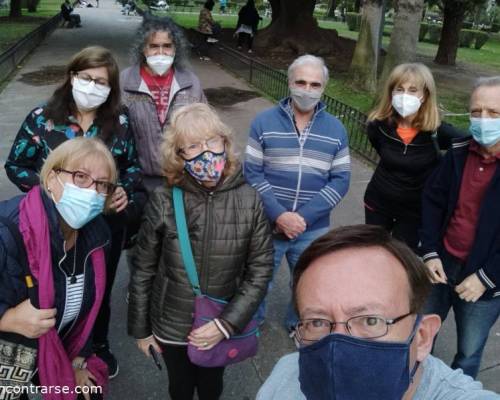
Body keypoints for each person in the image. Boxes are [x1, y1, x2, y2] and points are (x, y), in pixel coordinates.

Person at [4, 46, 143, 379]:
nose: (93, 86)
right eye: (87, 78)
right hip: (49, 224)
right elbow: (15, 164)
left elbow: (133, 167)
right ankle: (45, 350)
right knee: (48, 285)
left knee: (98, 286)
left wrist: (122, 188)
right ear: (72, 76)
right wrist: (50, 194)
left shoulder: (120, 121)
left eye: (102, 82)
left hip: (103, 224)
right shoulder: (43, 119)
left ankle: (94, 345)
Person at [128, 103, 273, 400]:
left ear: (225, 143)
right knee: (179, 387)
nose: (206, 152)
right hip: (172, 323)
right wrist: (140, 330)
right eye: (192, 146)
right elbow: (143, 269)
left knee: (211, 386)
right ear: (178, 155)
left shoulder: (249, 200)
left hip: (219, 319)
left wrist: (226, 323)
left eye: (212, 141)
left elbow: (260, 270)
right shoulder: (164, 200)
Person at [257, 224, 500, 400]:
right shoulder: (286, 376)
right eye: (318, 322)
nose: (339, 344)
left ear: (423, 336)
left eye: (370, 320)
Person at [0, 138, 118, 400]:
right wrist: (8, 319)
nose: (91, 191)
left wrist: (77, 359)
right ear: (52, 177)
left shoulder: (98, 235)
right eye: (80, 176)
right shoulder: (8, 231)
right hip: (9, 349)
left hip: (61, 343)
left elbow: (90, 308)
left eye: (102, 184)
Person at [244, 54, 350, 331]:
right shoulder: (263, 122)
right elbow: (252, 172)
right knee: (258, 279)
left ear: (323, 88)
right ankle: (253, 324)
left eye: (315, 84)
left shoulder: (336, 130)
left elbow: (340, 180)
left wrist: (301, 217)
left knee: (308, 282)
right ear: (289, 83)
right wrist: (279, 215)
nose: (307, 89)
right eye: (301, 82)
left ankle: (297, 323)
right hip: (267, 224)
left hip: (312, 228)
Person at [420, 76, 500, 379]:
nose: (483, 120)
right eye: (476, 111)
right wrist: (429, 252)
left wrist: (487, 277)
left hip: (485, 278)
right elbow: (433, 201)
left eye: (494, 113)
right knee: (421, 333)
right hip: (442, 263)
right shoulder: (459, 151)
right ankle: (416, 383)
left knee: (468, 352)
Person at [364, 63, 463, 251]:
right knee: (373, 252)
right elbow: (381, 151)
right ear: (391, 92)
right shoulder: (378, 126)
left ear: (424, 95)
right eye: (399, 89)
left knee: (401, 259)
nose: (405, 96)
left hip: (414, 210)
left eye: (412, 90)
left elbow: (471, 143)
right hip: (378, 202)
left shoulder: (437, 131)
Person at [121, 14, 206, 193]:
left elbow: (205, 128)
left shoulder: (190, 81)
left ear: (176, 49)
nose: (160, 53)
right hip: (139, 183)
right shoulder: (124, 81)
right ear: (142, 49)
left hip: (183, 180)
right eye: (153, 46)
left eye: (167, 46)